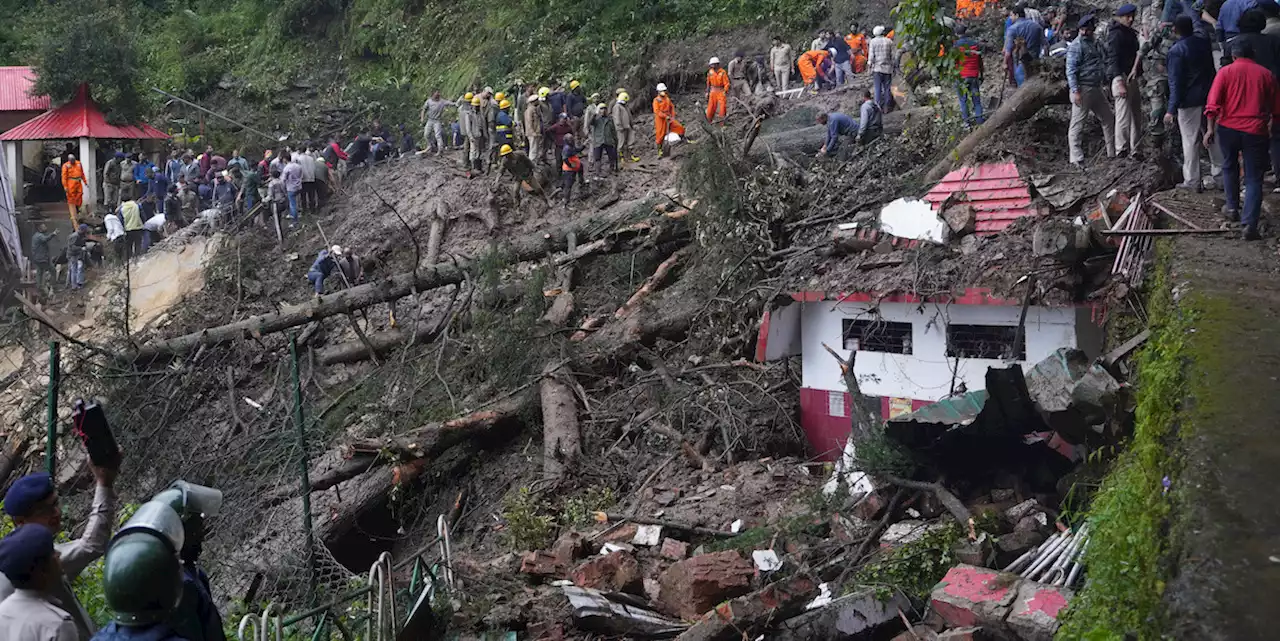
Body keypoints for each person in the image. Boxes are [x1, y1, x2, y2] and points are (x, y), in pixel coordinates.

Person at [0, 467, 118, 641]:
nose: (56, 513)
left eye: (55, 504)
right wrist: (104, 483)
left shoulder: (24, 556)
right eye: (44, 510)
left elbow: (91, 545)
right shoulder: (33, 565)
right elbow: (91, 545)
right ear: (20, 521)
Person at [1205, 40, 1280, 239]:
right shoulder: (1266, 74)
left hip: (1228, 128)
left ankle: (1231, 208)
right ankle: (1249, 225)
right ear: (1252, 55)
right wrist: (1271, 124)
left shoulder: (1225, 73)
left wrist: (1210, 129)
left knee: (1229, 166)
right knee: (1254, 177)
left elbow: (1212, 104)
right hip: (1256, 130)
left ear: (1234, 57)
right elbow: (1276, 108)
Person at [0, 525, 77, 641]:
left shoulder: (3, 612)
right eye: (53, 553)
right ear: (42, 571)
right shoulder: (57, 625)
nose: (59, 554)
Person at [1067, 14, 1116, 167]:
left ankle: (1112, 152)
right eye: (1082, 29)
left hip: (1097, 87)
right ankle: (1076, 158)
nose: (1084, 32)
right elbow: (1071, 70)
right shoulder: (1077, 46)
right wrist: (1075, 90)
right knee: (1078, 124)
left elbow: (1105, 57)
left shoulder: (1096, 42)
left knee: (1108, 118)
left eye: (1087, 29)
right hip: (1083, 88)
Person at [1108, 4, 1143, 157]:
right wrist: (1118, 80)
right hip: (1121, 76)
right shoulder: (1116, 35)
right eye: (1127, 17)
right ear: (1120, 17)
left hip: (1131, 75)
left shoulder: (1129, 33)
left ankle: (1136, 149)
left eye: (1132, 16)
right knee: (1123, 116)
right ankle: (1121, 149)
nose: (1130, 19)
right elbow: (1113, 59)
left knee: (1136, 115)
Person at [1139, 26, 1175, 154]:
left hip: (1175, 76)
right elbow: (1144, 49)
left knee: (1175, 110)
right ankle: (1157, 147)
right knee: (1157, 111)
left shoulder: (1186, 28)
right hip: (1157, 77)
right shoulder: (1162, 30)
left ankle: (1175, 145)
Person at [1005, 7, 1044, 87]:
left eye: (1011, 15)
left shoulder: (1012, 29)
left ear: (1017, 15)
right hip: (1036, 61)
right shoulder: (1037, 26)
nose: (1010, 18)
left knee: (1023, 87)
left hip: (1021, 62)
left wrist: (1005, 63)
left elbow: (1008, 51)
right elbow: (1045, 45)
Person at [954, 25, 985, 126]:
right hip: (974, 75)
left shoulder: (956, 46)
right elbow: (980, 61)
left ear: (956, 34)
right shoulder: (974, 44)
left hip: (961, 77)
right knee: (976, 101)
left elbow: (954, 62)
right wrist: (982, 74)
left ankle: (967, 123)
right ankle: (980, 121)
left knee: (963, 100)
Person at [652, 83, 685, 158]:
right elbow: (657, 111)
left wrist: (672, 116)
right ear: (658, 92)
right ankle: (659, 150)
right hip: (660, 119)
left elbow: (671, 107)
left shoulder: (667, 98)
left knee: (679, 127)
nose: (663, 92)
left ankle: (683, 139)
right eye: (662, 91)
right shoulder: (656, 100)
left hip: (669, 117)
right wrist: (664, 116)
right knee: (660, 134)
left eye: (664, 90)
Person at [868, 26, 896, 108]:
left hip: (877, 69)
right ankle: (887, 107)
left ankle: (878, 107)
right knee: (887, 89)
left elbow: (871, 56)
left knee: (877, 89)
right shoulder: (889, 41)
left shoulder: (873, 42)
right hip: (888, 69)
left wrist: (869, 66)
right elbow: (892, 56)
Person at [590, 103, 618, 176]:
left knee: (612, 156)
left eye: (605, 109)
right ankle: (598, 172)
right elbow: (590, 122)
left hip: (608, 140)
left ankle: (612, 170)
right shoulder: (596, 119)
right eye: (601, 109)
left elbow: (613, 130)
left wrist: (615, 140)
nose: (603, 110)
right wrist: (594, 114)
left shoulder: (610, 119)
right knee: (597, 157)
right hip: (598, 141)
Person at [29, 224, 57, 294]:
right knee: (53, 270)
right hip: (42, 259)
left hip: (36, 258)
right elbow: (45, 239)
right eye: (44, 227)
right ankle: (53, 286)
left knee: (39, 272)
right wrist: (53, 234)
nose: (46, 228)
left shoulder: (35, 236)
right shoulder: (40, 236)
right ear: (40, 229)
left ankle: (39, 287)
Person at [560, 133, 585, 208]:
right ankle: (566, 202)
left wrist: (583, 146)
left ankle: (581, 182)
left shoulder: (571, 146)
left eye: (572, 138)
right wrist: (570, 165)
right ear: (567, 141)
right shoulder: (567, 148)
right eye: (570, 139)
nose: (572, 140)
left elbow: (577, 150)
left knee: (581, 167)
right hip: (569, 170)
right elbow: (564, 158)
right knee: (568, 186)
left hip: (575, 167)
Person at [61, 154, 86, 227]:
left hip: (78, 182)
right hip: (70, 182)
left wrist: (85, 181)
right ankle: (74, 214)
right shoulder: (66, 166)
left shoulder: (78, 163)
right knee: (71, 198)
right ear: (69, 160)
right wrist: (65, 186)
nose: (73, 161)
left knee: (80, 195)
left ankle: (77, 208)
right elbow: (64, 177)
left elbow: (82, 173)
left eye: (74, 160)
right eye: (71, 160)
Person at [612, 93, 637, 163]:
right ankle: (621, 158)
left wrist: (632, 124)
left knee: (630, 142)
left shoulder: (625, 107)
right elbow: (617, 118)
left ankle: (629, 156)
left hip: (627, 127)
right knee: (621, 143)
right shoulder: (617, 107)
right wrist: (619, 126)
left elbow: (629, 116)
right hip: (621, 129)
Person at [421, 90, 448, 155]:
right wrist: (422, 118)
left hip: (437, 121)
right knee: (426, 134)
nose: (438, 95)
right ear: (433, 94)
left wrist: (456, 103)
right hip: (430, 120)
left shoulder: (442, 101)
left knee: (438, 135)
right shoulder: (429, 101)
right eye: (436, 94)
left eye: (438, 93)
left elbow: (450, 103)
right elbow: (424, 109)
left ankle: (440, 150)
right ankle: (430, 145)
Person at [706, 57, 731, 123]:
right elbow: (708, 83)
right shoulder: (710, 72)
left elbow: (727, 83)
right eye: (711, 65)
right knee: (711, 107)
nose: (712, 66)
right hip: (713, 91)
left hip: (721, 91)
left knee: (722, 108)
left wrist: (725, 91)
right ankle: (708, 121)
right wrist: (707, 92)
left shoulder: (723, 72)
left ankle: (722, 122)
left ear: (717, 64)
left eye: (713, 64)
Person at [524, 94, 546, 163]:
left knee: (536, 149)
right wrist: (533, 132)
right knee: (533, 150)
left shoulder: (534, 109)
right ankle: (532, 164)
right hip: (532, 134)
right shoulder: (529, 110)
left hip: (536, 133)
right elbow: (529, 123)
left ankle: (535, 163)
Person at [66, 223, 88, 290]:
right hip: (72, 255)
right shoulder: (75, 236)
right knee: (74, 270)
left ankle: (79, 283)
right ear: (82, 230)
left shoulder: (81, 235)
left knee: (78, 268)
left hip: (77, 254)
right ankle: (74, 286)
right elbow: (72, 247)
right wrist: (81, 248)